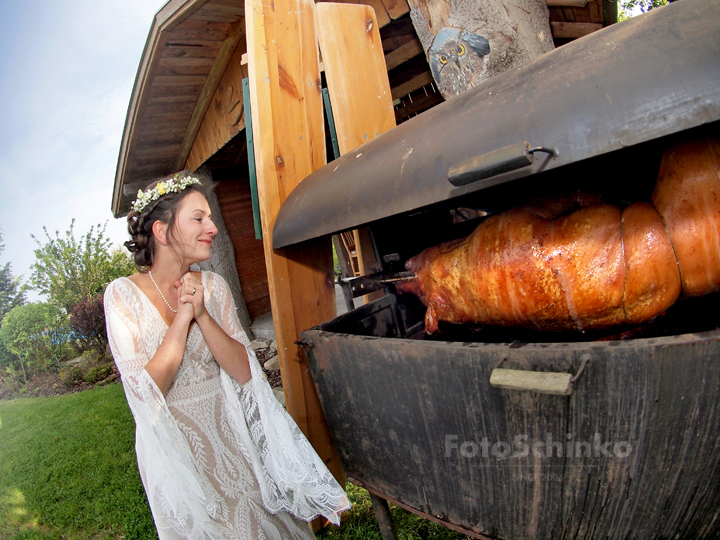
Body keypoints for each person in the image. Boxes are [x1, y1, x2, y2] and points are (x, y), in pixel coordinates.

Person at [104, 172, 349, 540]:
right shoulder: (122, 296)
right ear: (161, 230)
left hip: (232, 433)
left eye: (211, 217)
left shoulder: (214, 287)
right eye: (198, 218)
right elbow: (146, 390)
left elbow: (244, 371)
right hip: (177, 446)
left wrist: (202, 314)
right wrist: (183, 316)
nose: (212, 227)